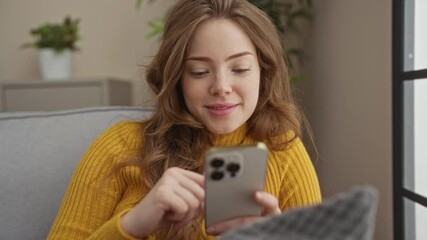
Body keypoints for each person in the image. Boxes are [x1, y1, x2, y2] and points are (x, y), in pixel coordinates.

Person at [47, 0, 321, 239]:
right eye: (200, 72)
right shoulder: (118, 146)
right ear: (177, 78)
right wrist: (131, 226)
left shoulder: (283, 150)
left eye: (240, 68)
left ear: (264, 73)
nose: (221, 86)